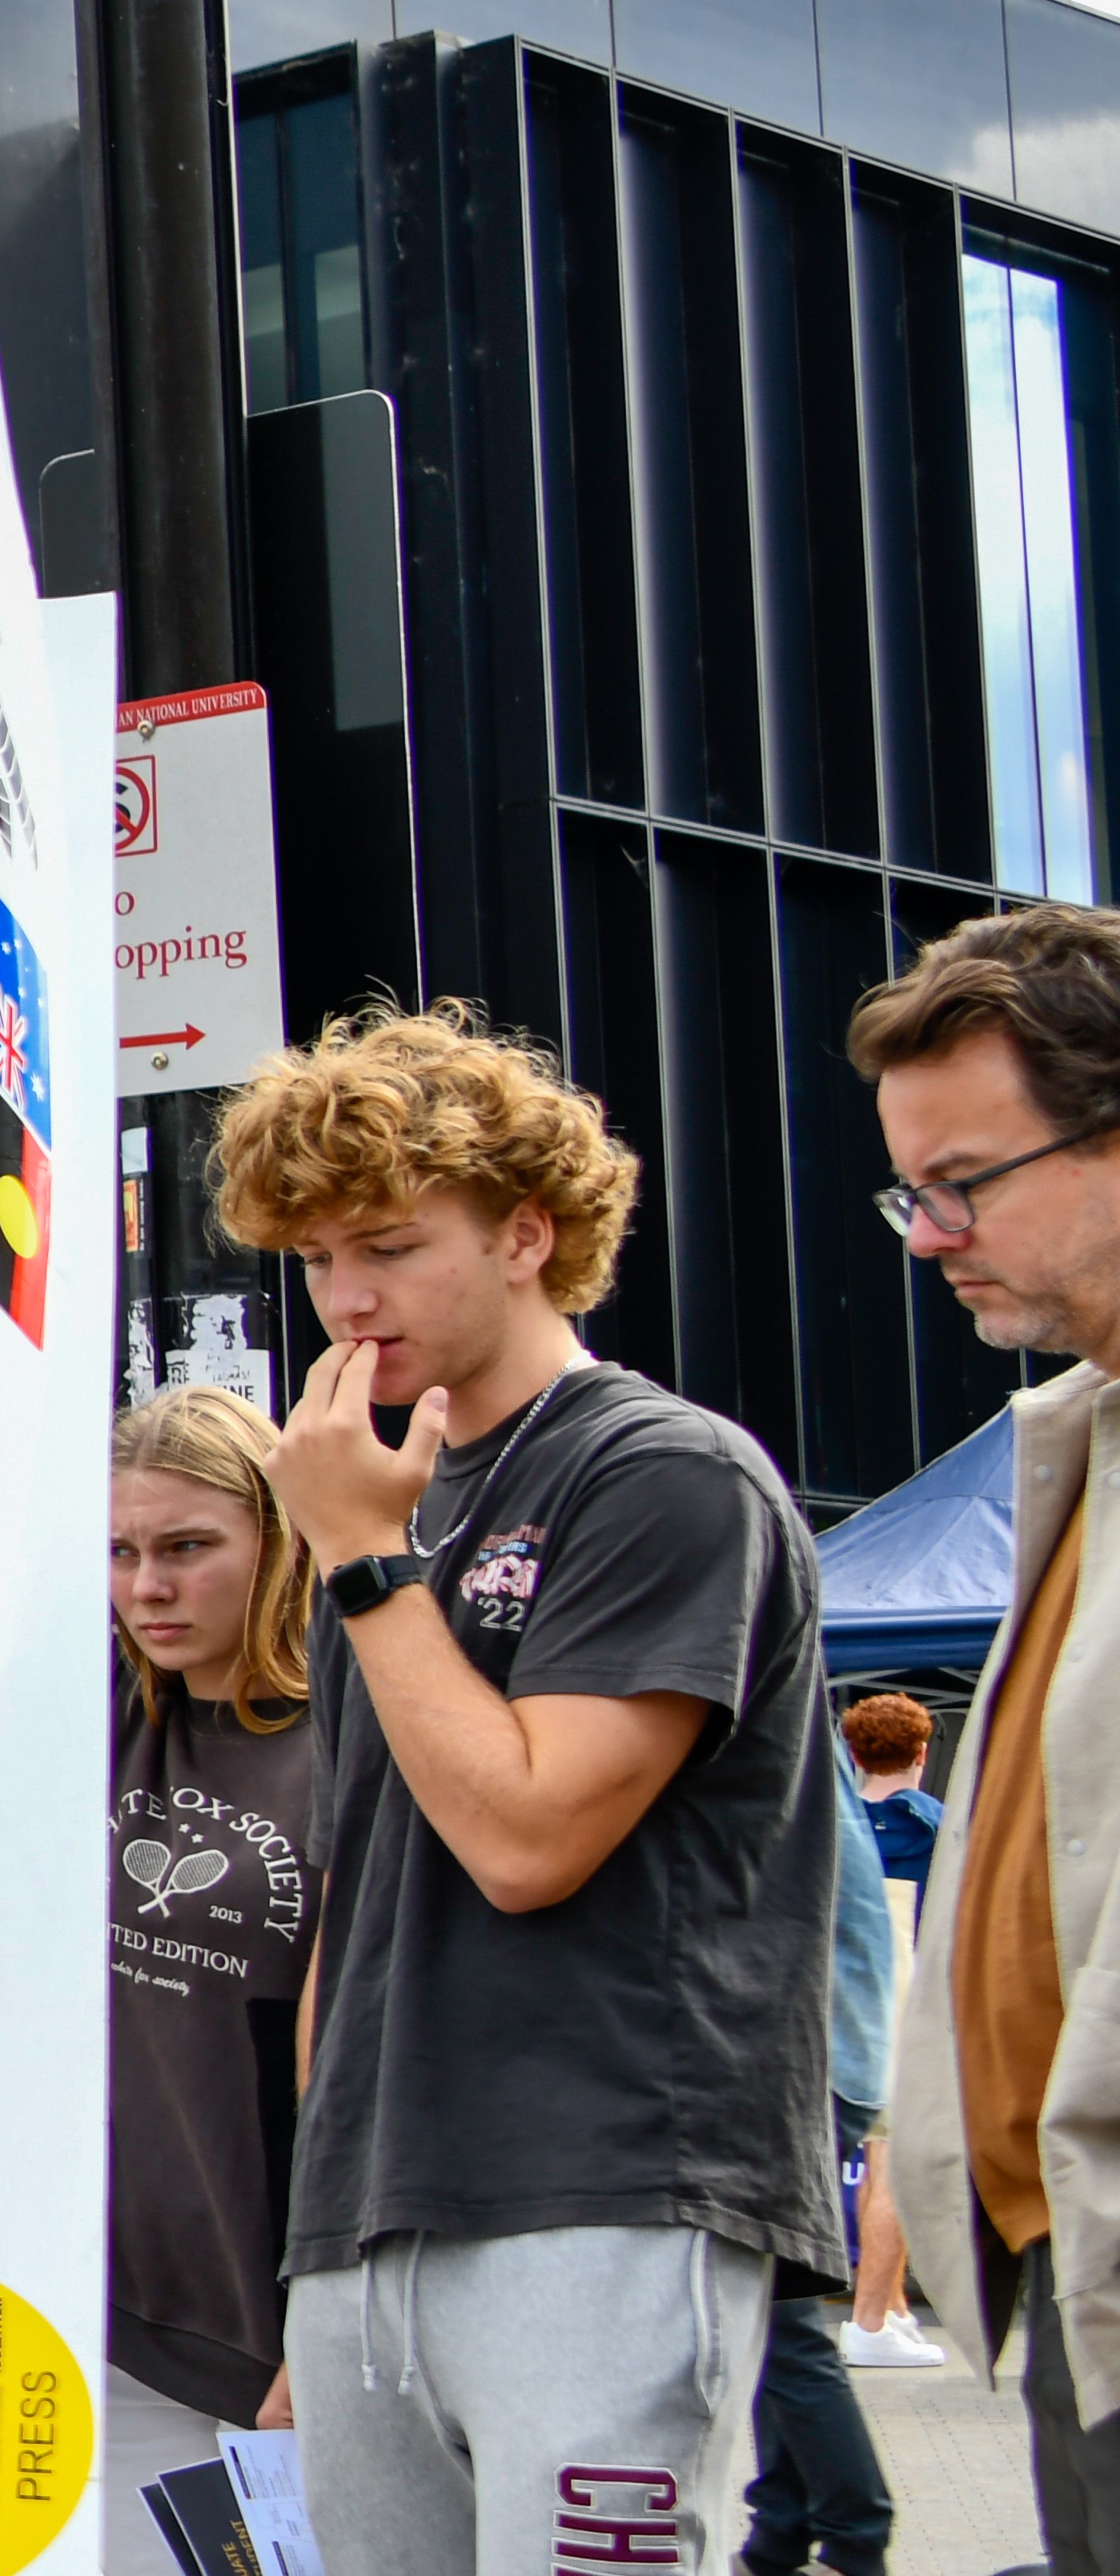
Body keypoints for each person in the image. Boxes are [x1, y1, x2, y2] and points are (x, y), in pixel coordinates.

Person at [227, 1001, 833, 2576]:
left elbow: (527, 1838)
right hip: (375, 2212)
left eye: (388, 1246)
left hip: (608, 2186)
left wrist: (364, 1555)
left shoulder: (662, 1469)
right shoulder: (394, 1504)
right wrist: (317, 2236)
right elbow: (359, 1893)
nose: (348, 1303)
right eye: (314, 1261)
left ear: (527, 1234)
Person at [853, 912, 1120, 2573]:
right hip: (1067, 2286)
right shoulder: (1069, 1450)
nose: (927, 1235)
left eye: (964, 1181)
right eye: (909, 1191)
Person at [101, 1384, 327, 2501]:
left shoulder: (355, 1736)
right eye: (122, 1550)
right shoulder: (101, 1712)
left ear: (278, 1538)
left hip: (277, 2330)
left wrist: (329, 2320)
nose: (148, 1586)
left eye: (189, 1547)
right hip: (94, 2301)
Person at [751, 1755, 906, 2576]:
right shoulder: (811, 1737)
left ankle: (854, 2530)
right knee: (775, 2310)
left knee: (773, 2318)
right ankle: (782, 2528)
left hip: (804, 2062)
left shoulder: (780, 1715)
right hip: (825, 2057)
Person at [838, 1691, 949, 2369]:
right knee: (900, 2164)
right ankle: (870, 2321)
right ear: (922, 1751)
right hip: (912, 1999)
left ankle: (894, 2307)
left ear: (853, 1753)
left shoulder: (830, 1823)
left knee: (876, 2158)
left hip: (846, 2001)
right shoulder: (941, 1829)